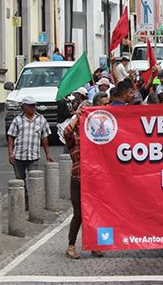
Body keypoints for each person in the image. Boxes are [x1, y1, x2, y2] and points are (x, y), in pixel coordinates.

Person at [63, 101, 105, 259]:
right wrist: (77, 116)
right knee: (79, 214)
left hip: (95, 181)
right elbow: (66, 132)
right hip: (78, 179)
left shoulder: (97, 138)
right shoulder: (74, 139)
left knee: (97, 213)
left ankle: (95, 245)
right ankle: (71, 246)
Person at [7, 96, 53, 208]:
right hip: (19, 155)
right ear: (24, 107)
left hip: (33, 156)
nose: (33, 107)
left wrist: (47, 154)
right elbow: (11, 137)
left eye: (34, 105)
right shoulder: (17, 120)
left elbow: (45, 137)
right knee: (20, 181)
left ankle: (35, 203)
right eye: (30, 105)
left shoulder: (41, 119)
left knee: (34, 181)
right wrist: (10, 153)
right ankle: (24, 202)